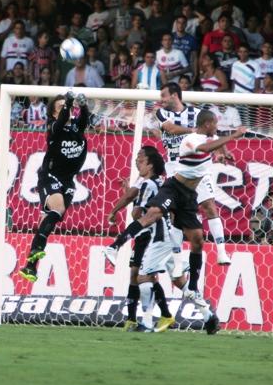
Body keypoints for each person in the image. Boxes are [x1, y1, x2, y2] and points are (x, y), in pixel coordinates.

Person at [104, 110, 247, 335]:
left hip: (184, 204)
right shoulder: (191, 140)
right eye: (215, 124)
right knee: (151, 220)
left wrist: (224, 151)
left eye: (140, 161)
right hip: (175, 192)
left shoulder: (206, 140)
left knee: (197, 242)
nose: (217, 127)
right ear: (208, 124)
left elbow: (212, 145)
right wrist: (234, 136)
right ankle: (114, 249)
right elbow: (204, 148)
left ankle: (205, 315)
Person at [155, 83, 232, 265]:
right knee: (175, 214)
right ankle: (177, 259)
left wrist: (223, 152)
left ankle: (221, 252)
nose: (161, 100)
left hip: (199, 165)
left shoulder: (197, 113)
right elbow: (170, 129)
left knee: (209, 205)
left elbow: (214, 134)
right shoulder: (161, 113)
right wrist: (193, 132)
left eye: (164, 95)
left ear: (175, 95)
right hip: (175, 166)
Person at [19, 92, 90, 282]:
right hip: (50, 176)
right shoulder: (53, 127)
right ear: (53, 114)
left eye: (64, 107)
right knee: (57, 208)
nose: (65, 111)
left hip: (68, 180)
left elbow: (84, 119)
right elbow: (61, 121)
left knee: (51, 218)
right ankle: (34, 252)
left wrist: (82, 106)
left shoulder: (76, 128)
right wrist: (67, 103)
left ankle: (30, 266)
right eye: (59, 108)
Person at [106, 146, 174, 332]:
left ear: (150, 164)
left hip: (149, 234)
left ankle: (151, 319)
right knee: (139, 275)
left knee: (144, 277)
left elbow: (137, 214)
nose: (137, 161)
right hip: (157, 234)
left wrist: (124, 206)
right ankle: (135, 319)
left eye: (141, 159)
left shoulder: (148, 183)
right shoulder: (159, 182)